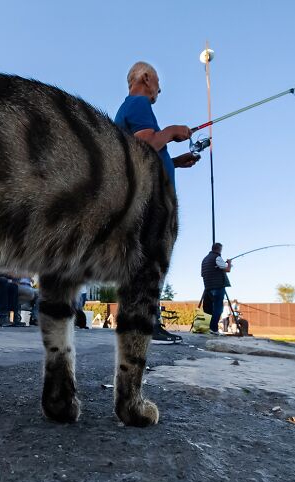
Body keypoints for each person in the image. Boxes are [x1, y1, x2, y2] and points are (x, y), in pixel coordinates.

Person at [115, 61, 201, 344]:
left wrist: (175, 162)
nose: (158, 92)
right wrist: (172, 131)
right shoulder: (138, 104)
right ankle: (145, 322)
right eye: (158, 87)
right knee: (153, 258)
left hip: (139, 195)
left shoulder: (127, 109)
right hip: (151, 199)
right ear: (146, 78)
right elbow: (146, 146)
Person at [201, 243, 232, 335]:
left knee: (209, 309)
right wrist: (229, 263)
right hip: (217, 286)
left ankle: (209, 327)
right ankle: (213, 329)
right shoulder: (217, 257)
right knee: (218, 308)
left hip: (208, 286)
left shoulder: (205, 259)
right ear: (219, 249)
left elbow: (203, 273)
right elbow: (227, 270)